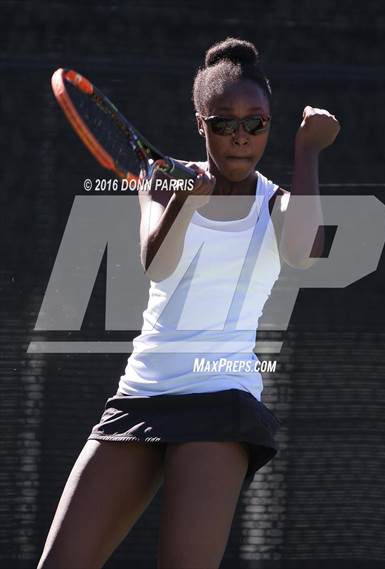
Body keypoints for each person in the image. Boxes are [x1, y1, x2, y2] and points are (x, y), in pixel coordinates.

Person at [37, 37, 340, 569]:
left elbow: (306, 251)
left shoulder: (276, 202)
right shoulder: (162, 179)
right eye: (225, 123)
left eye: (257, 123)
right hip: (141, 393)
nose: (241, 137)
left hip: (220, 399)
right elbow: (157, 264)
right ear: (201, 123)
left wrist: (308, 151)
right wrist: (184, 199)